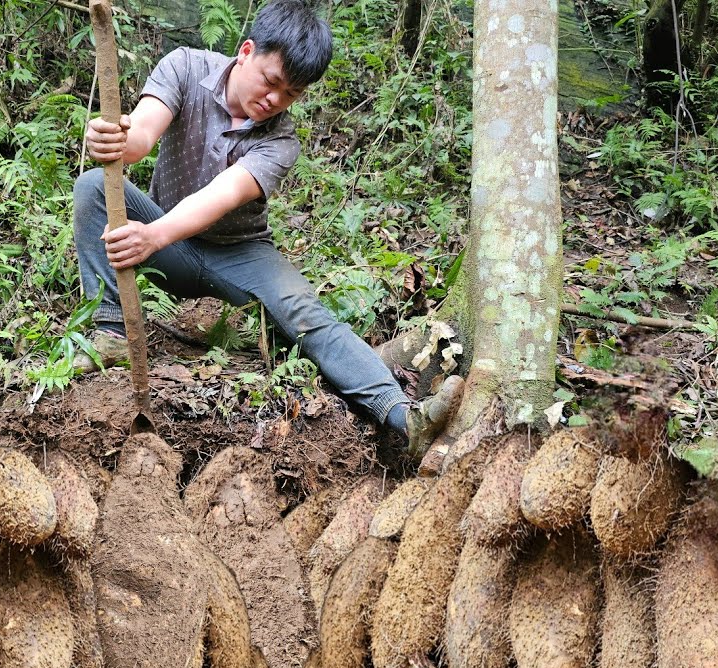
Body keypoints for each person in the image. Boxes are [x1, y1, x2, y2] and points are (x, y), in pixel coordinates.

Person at [71, 0, 461, 454]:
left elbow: (223, 194)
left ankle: (402, 417)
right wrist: (118, 138)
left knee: (307, 318)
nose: (275, 99)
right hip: (167, 243)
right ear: (246, 51)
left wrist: (152, 236)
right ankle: (112, 333)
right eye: (271, 81)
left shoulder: (281, 139)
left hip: (239, 253)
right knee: (94, 185)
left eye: (291, 94)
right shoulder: (185, 67)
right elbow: (140, 135)